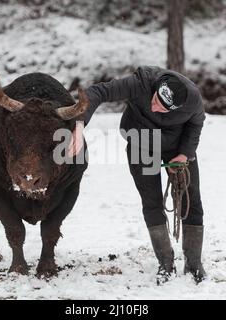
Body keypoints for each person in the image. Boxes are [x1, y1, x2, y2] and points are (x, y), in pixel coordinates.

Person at [71, 66, 206, 284]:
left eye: (162, 108)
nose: (155, 107)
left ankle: (194, 263)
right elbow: (98, 92)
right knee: (152, 202)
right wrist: (79, 124)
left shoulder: (192, 99)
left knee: (191, 202)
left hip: (176, 146)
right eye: (154, 101)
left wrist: (185, 154)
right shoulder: (140, 83)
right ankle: (165, 262)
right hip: (141, 143)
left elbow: (196, 123)